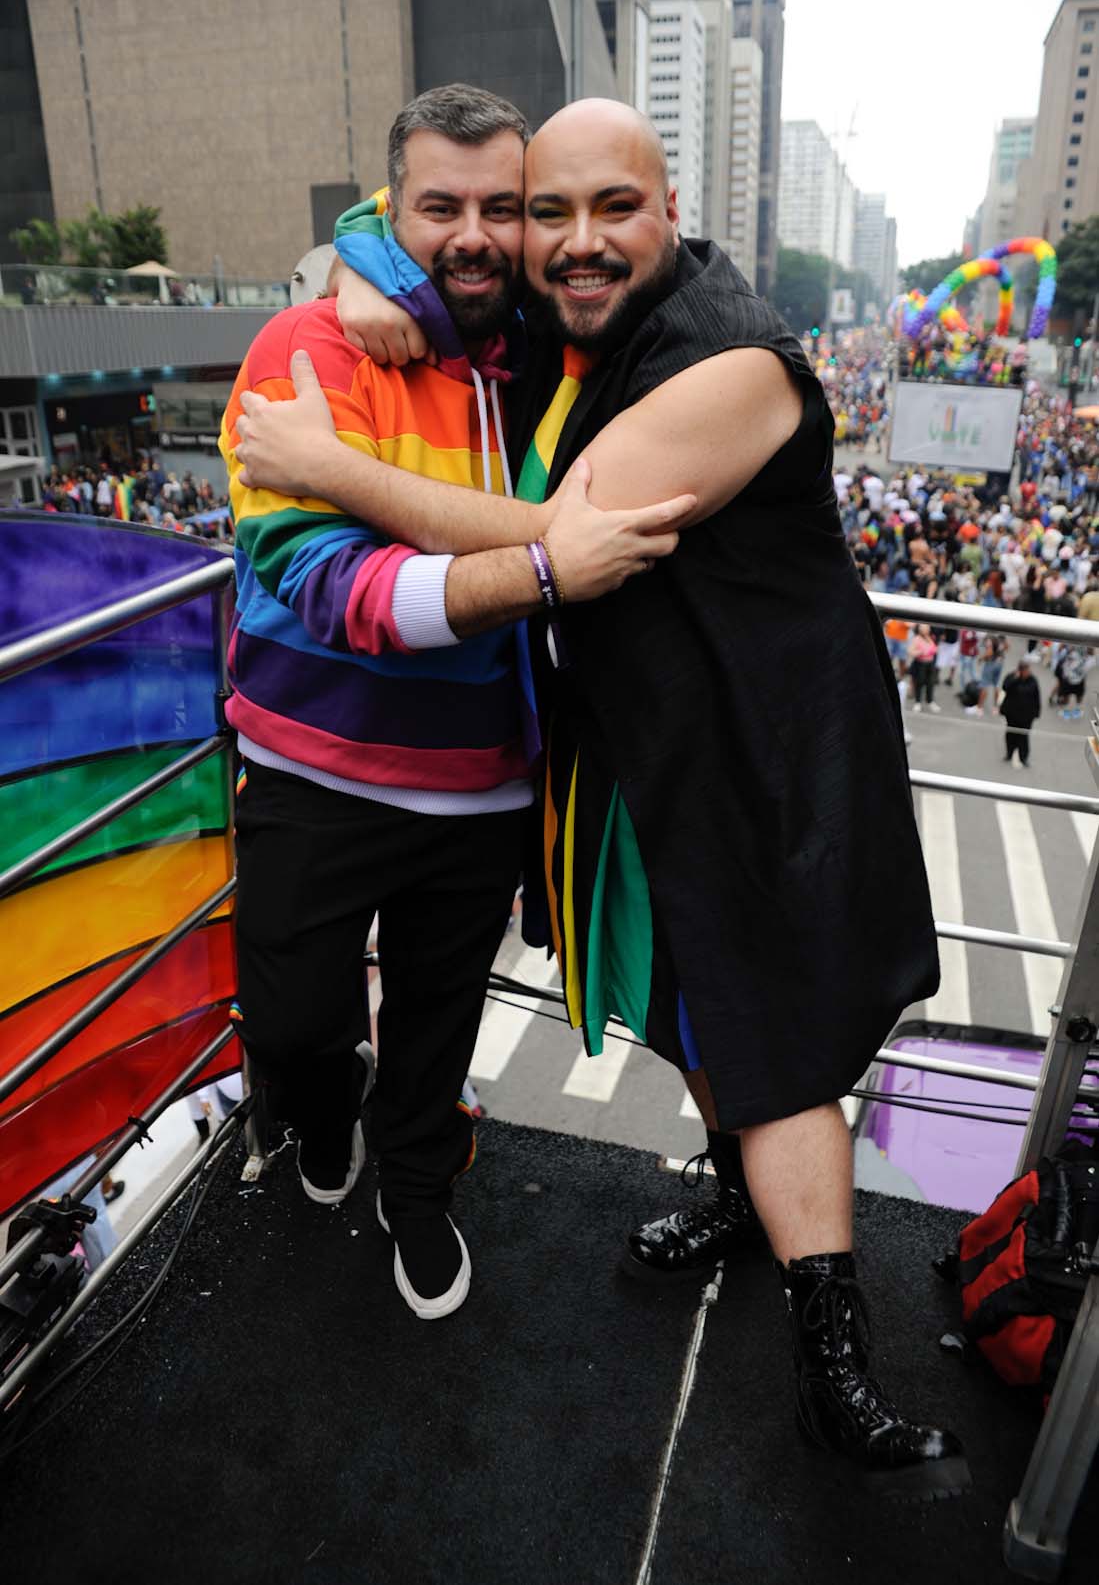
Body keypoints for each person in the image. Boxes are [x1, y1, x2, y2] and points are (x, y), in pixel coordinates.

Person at [235, 96, 966, 1499]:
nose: (562, 242)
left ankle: (832, 1361)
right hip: (622, 750)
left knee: (772, 1033)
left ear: (669, 208)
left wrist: (328, 468)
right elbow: (421, 235)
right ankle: (742, 1208)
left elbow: (574, 544)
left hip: (757, 747)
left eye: (603, 210)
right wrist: (354, 260)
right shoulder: (519, 328)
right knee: (687, 999)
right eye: (538, 211)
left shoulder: (728, 362)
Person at [222, 86, 691, 1323]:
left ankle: (418, 1187)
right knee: (292, 1024)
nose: (475, 235)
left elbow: (658, 259)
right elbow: (325, 587)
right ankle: (324, 1109)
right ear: (392, 205)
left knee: (438, 1023)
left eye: (502, 207)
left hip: (482, 783)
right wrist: (545, 568)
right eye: (440, 208)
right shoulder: (307, 348)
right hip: (315, 773)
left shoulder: (542, 342)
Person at [999, 659, 1041, 768]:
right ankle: (1009, 753)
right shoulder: (1012, 677)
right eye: (1026, 670)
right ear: (1020, 670)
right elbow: (1005, 687)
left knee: (1023, 737)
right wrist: (1016, 678)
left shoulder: (1032, 680)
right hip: (1012, 715)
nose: (1029, 672)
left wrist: (1037, 713)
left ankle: (1023, 758)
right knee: (1010, 735)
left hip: (1026, 717)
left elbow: (1037, 697)